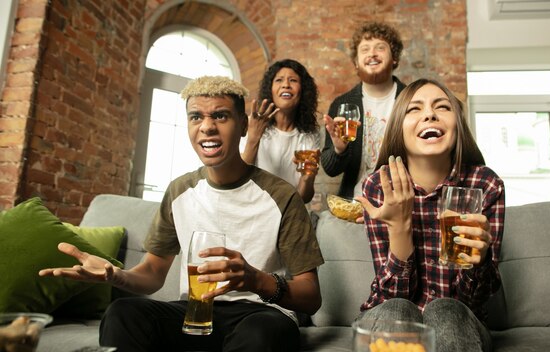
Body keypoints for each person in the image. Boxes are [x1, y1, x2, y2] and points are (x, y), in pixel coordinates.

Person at [39, 76, 324, 352]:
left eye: (221, 116)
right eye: (196, 117)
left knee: (262, 332)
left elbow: (310, 297)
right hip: (195, 313)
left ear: (243, 125)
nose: (207, 127)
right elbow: (152, 272)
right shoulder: (179, 191)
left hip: (260, 314)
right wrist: (116, 276)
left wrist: (255, 280)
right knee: (123, 312)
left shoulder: (281, 195)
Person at [354, 78, 505, 351]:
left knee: (447, 310)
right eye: (415, 109)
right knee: (397, 310)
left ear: (457, 125)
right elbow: (391, 297)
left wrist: (480, 259)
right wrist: (400, 226)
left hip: (460, 318)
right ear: (398, 127)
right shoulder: (378, 186)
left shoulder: (484, 185)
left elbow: (473, 301)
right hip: (390, 310)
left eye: (442, 107)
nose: (429, 114)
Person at [321, 21, 406, 198]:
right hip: (355, 203)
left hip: (402, 203)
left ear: (395, 57)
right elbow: (330, 169)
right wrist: (339, 150)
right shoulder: (342, 104)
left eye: (380, 48)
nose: (372, 54)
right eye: (365, 49)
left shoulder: (412, 99)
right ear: (356, 62)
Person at [240, 59, 321, 203]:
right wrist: (253, 137)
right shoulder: (254, 123)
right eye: (279, 80)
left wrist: (307, 178)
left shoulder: (310, 134)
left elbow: (303, 198)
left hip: (290, 213)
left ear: (302, 90)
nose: (286, 85)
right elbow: (239, 179)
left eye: (293, 80)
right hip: (254, 208)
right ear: (270, 90)